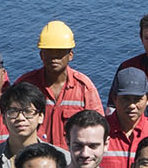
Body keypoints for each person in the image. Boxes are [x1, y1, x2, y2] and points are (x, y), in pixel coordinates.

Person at [17, 20, 103, 148]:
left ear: (70, 55)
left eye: (60, 52)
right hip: (34, 160)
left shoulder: (84, 87)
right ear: (41, 55)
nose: (54, 57)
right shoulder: (26, 85)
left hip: (71, 163)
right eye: (49, 51)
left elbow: (98, 128)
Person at [100, 70, 148, 168]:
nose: (132, 106)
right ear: (115, 99)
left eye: (137, 99)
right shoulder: (99, 131)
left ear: (147, 99)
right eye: (126, 99)